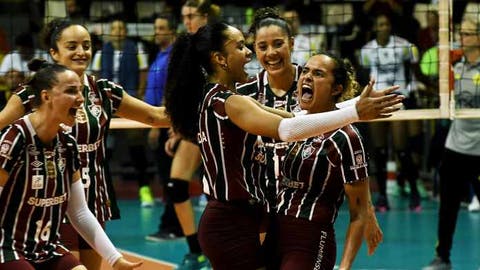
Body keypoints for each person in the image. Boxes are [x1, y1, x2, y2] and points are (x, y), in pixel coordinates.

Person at [164, 21, 402, 270]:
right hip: (229, 222)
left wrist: (352, 106)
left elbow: (292, 118)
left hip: (247, 221)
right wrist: (355, 112)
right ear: (220, 59)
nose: (248, 54)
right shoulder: (232, 103)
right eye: (241, 47)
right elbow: (287, 131)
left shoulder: (219, 98)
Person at [0, 19, 170, 270]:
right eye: (72, 46)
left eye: (87, 45)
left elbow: (155, 116)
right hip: (41, 197)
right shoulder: (32, 94)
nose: (81, 51)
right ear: (54, 53)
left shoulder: (103, 91)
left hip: (88, 195)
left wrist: (201, 108)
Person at [0, 59, 141, 270]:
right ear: (46, 96)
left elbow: (79, 212)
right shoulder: (14, 139)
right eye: (71, 92)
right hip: (7, 248)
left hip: (47, 248)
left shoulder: (67, 143)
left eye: (81, 91)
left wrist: (114, 259)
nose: (80, 99)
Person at [273, 52, 383, 270]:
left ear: (336, 89)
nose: (307, 77)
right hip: (274, 230)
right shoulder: (295, 123)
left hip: (311, 237)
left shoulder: (346, 137)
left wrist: (344, 267)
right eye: (305, 71)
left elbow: (358, 212)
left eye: (318, 73)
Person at [163, 1, 222, 268]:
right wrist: (178, 127)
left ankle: (220, 250)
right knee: (176, 185)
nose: (186, 21)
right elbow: (180, 89)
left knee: (220, 193)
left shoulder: (220, 41)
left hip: (219, 123)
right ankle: (195, 249)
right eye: (183, 16)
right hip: (194, 126)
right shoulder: (185, 47)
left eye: (191, 16)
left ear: (205, 16)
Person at [423, 16, 480, 270]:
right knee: (448, 208)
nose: (461, 37)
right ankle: (442, 257)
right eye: (461, 33)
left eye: (467, 34)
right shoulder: (456, 66)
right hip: (455, 147)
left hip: (479, 149)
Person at [360, 13, 424, 212]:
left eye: (387, 23)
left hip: (398, 100)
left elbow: (415, 63)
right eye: (380, 23)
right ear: (375, 28)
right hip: (377, 102)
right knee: (379, 151)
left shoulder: (403, 45)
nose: (384, 26)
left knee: (402, 149)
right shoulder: (367, 50)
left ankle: (414, 191)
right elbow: (364, 73)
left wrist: (413, 86)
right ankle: (382, 197)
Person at [91, 18, 152, 207]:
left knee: (136, 149)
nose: (117, 31)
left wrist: (138, 97)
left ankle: (145, 190)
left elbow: (144, 73)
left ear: (125, 31)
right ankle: (103, 193)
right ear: (110, 31)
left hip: (130, 102)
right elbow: (96, 76)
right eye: (114, 28)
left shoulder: (137, 48)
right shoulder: (101, 52)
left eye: (121, 27)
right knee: (104, 150)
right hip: (107, 105)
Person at [144, 13, 183, 241]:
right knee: (165, 176)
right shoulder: (160, 54)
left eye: (161, 27)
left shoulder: (173, 57)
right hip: (154, 120)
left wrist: (157, 126)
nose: (157, 31)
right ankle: (170, 223)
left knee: (171, 177)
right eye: (155, 27)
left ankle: (173, 226)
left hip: (163, 123)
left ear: (171, 30)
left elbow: (169, 94)